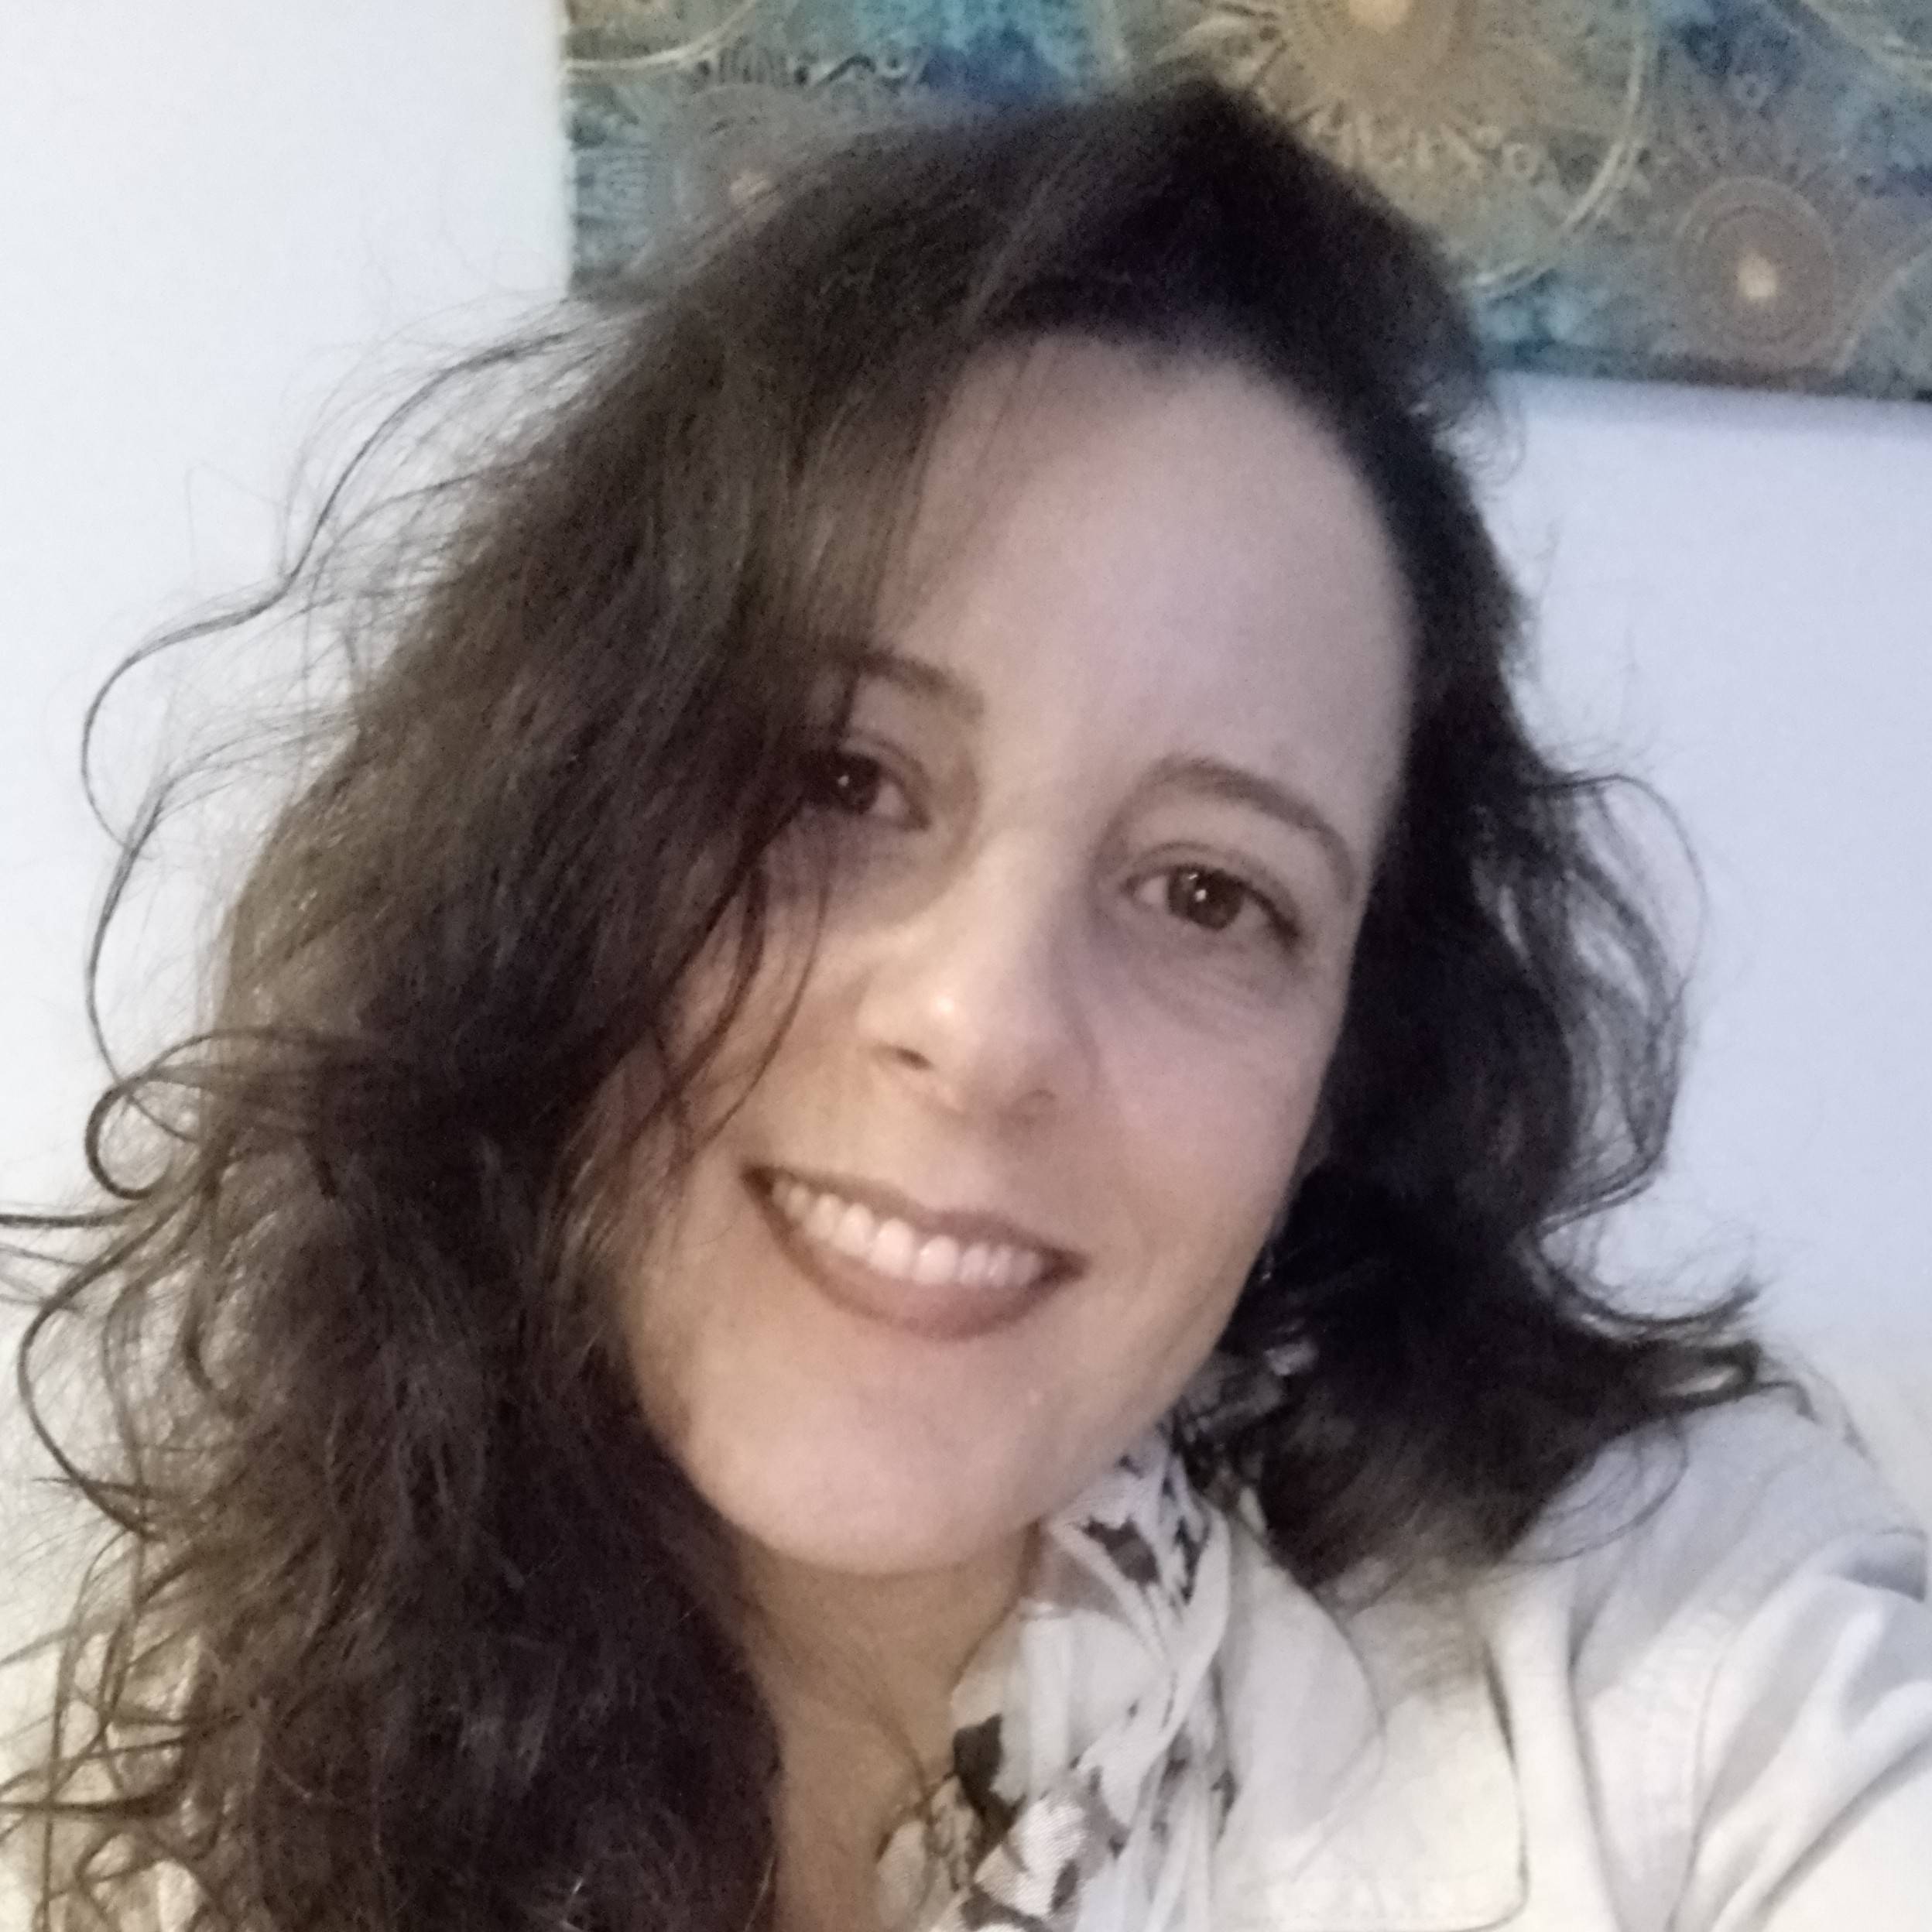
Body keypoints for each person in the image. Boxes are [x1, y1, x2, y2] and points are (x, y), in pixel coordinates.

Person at [4, 74, 1929, 1932]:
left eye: (1210, 892)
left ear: (1347, 1064)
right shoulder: (126, 1743)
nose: (987, 1026)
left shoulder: (1681, 1673)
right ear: (558, 829)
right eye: (838, 782)